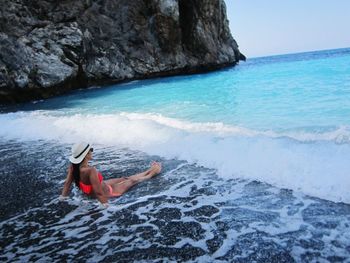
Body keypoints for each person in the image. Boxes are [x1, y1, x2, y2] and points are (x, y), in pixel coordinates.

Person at [60, 142, 161, 208]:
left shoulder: (74, 167)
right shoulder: (90, 170)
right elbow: (99, 192)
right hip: (110, 192)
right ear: (86, 155)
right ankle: (153, 172)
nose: (92, 151)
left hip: (103, 186)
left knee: (124, 178)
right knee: (132, 181)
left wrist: (63, 198)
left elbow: (67, 184)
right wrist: (105, 206)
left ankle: (148, 170)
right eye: (91, 150)